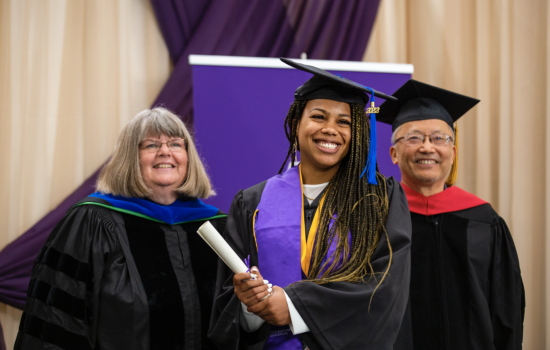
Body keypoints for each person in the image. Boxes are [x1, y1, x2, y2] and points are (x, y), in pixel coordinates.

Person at [209, 58, 412, 349]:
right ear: (296, 122)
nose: (331, 129)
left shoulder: (380, 200)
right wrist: (251, 304)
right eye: (318, 117)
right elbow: (227, 298)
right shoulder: (252, 202)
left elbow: (385, 287)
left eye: (344, 121)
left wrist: (294, 307)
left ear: (358, 133)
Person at [15, 108, 226, 350]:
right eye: (150, 145)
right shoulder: (93, 221)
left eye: (176, 144)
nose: (165, 151)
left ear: (188, 157)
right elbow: (57, 318)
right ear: (131, 158)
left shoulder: (215, 227)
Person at [376, 80, 525, 350]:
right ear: (394, 154)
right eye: (414, 138)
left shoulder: (483, 220)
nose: (427, 147)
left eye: (438, 138)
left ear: (453, 153)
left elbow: (507, 309)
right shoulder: (376, 219)